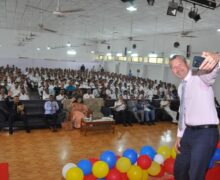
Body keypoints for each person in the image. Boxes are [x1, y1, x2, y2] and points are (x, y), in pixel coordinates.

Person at [170, 53, 220, 180]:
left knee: (195, 174)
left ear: (186, 63)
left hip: (206, 133)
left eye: (180, 65)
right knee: (179, 170)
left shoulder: (200, 76)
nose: (178, 69)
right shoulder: (181, 87)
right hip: (188, 133)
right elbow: (183, 111)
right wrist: (179, 135)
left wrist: (216, 58)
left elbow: (211, 74)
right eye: (174, 67)